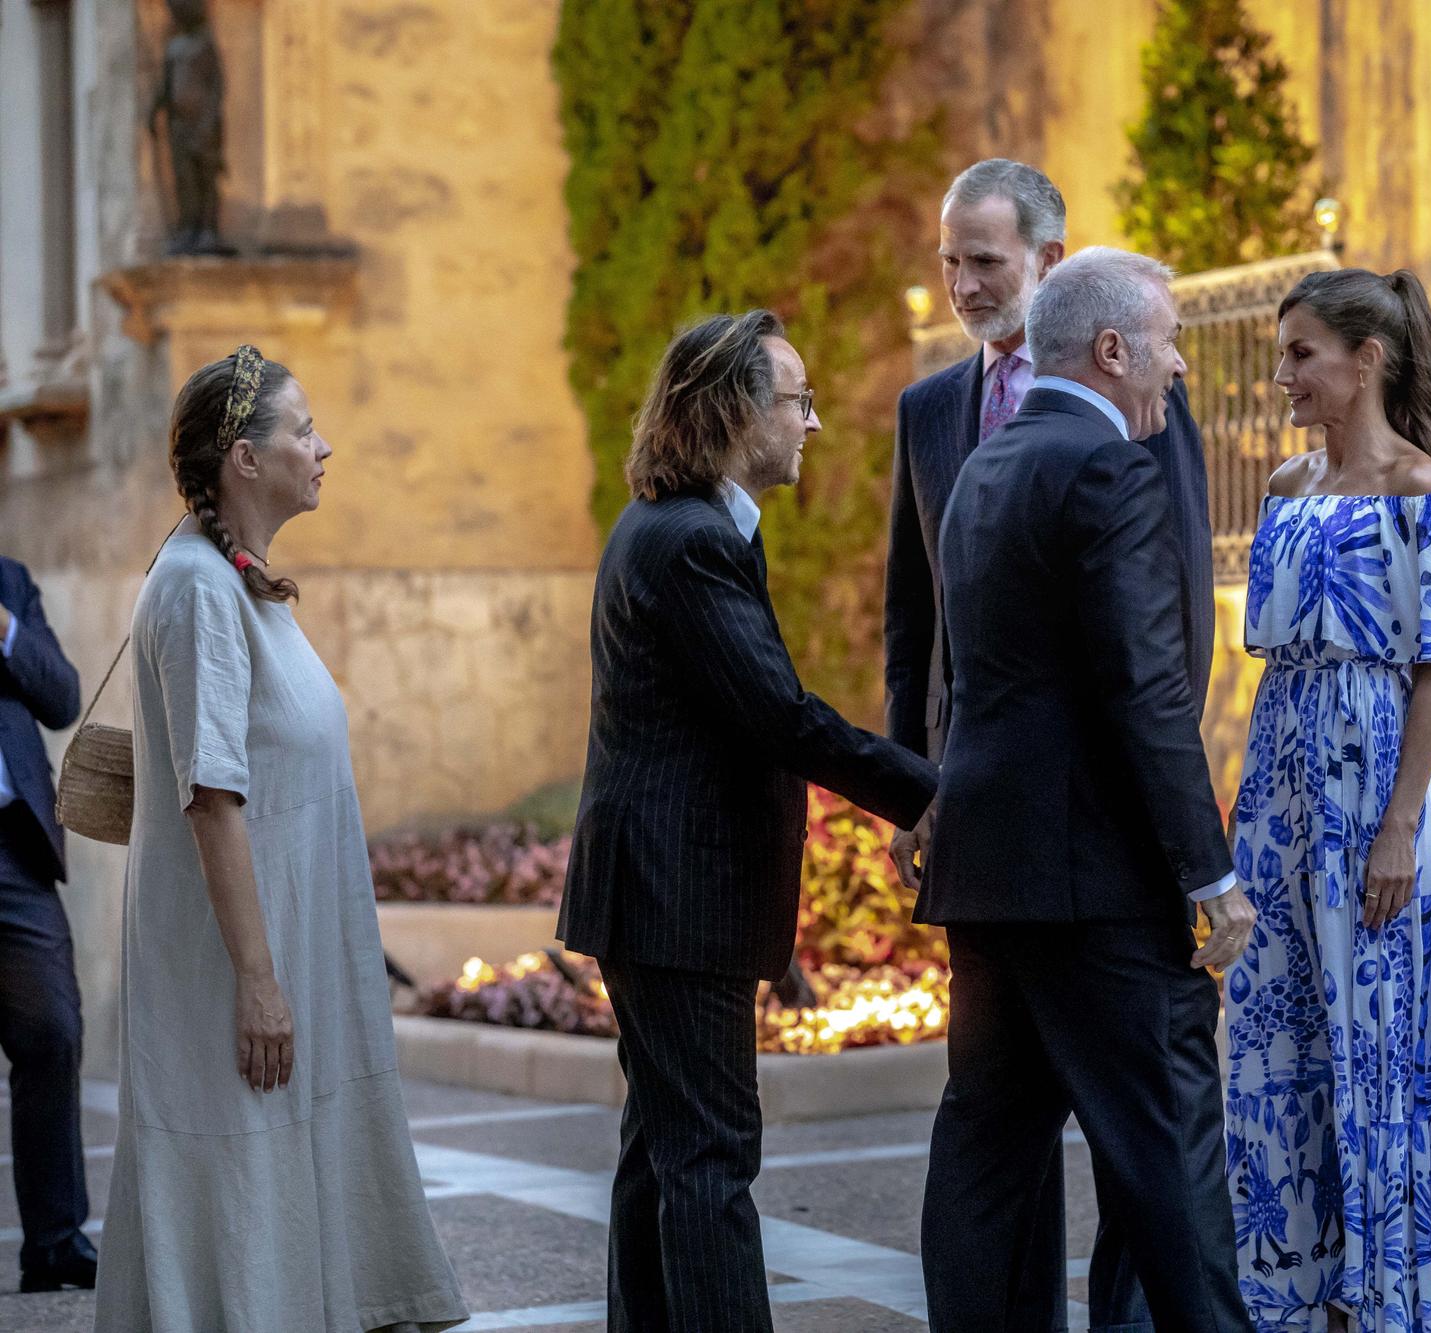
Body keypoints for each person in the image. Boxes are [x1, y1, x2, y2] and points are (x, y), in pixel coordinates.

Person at [885, 153, 1217, 1333]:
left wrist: (1155, 814)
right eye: (950, 260)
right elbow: (916, 631)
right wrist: (913, 792)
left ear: (1046, 263)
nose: (963, 281)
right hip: (1045, 849)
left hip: (1050, 842)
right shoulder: (943, 413)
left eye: (984, 259)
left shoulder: (1118, 411)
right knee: (1152, 1134)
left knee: (999, 1128)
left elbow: (1169, 623)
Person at [558, 311, 938, 1333]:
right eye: (795, 400)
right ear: (732, 411)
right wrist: (930, 790)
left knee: (661, 1149)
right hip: (676, 893)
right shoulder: (687, 543)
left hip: (658, 891)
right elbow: (778, 716)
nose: (811, 423)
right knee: (710, 1157)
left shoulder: (682, 529)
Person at [95, 346, 467, 1331]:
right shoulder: (197, 591)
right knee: (237, 1168)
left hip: (285, 953)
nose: (323, 445)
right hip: (230, 976)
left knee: (272, 1165)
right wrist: (258, 980)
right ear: (242, 459)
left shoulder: (234, 578)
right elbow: (211, 798)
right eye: (302, 430)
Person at [1226, 268, 1431, 1332]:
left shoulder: (1423, 494)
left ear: (1367, 359)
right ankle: (1300, 1286)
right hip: (1281, 796)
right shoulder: (1281, 488)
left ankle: (1396, 1286)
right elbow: (1272, 656)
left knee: (1384, 1042)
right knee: (1283, 1042)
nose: (1281, 377)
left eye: (1300, 353)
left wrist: (1399, 825)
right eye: (1280, 353)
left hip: (1374, 803)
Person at [0, 555, 93, 1294]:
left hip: (12, 849)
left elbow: (62, 697)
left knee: (53, 1029)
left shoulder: (8, 580)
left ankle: (56, 1242)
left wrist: (4, 629)